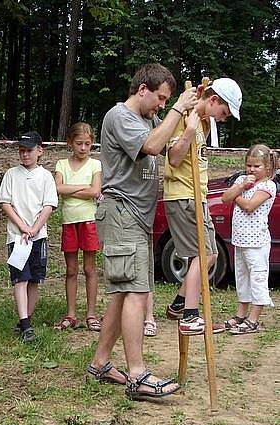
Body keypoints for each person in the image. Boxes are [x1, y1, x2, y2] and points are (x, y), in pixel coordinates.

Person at [87, 64, 197, 400]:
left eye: (167, 100)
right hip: (122, 212)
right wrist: (178, 109)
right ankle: (137, 375)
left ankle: (100, 362)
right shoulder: (119, 117)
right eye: (160, 98)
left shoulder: (150, 120)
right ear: (142, 90)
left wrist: (191, 124)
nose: (162, 105)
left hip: (136, 218)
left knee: (125, 293)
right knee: (136, 292)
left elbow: (174, 155)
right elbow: (151, 146)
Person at [164, 78, 242, 335]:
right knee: (202, 255)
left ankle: (178, 304)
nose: (225, 117)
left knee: (212, 255)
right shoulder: (184, 118)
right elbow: (174, 159)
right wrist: (188, 130)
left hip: (198, 195)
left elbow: (202, 103)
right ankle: (189, 315)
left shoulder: (203, 120)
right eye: (225, 111)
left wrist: (199, 103)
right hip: (182, 194)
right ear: (214, 101)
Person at [0, 132, 58, 342]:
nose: (25, 155)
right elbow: (6, 203)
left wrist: (35, 228)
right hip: (17, 237)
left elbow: (49, 205)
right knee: (20, 279)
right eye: (22, 151)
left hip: (38, 236)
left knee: (34, 279)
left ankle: (27, 319)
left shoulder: (45, 176)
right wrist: (23, 227)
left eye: (29, 151)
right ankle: (24, 323)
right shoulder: (11, 175)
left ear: (40, 151)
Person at [221, 145, 276, 334]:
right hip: (239, 239)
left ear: (267, 167)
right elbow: (224, 197)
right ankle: (241, 314)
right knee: (242, 277)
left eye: (257, 166)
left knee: (257, 277)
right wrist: (240, 187)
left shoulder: (268, 185)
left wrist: (237, 193)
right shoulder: (241, 180)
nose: (251, 170)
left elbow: (250, 206)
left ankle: (254, 319)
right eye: (249, 165)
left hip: (257, 242)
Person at [53, 122, 102, 331]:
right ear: (70, 143)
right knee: (71, 269)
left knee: (89, 268)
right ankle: (71, 313)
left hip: (89, 220)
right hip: (69, 221)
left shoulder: (95, 165)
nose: (83, 148)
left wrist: (70, 190)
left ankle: (91, 314)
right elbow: (56, 188)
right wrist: (85, 187)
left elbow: (96, 191)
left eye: (87, 144)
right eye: (79, 144)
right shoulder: (61, 164)